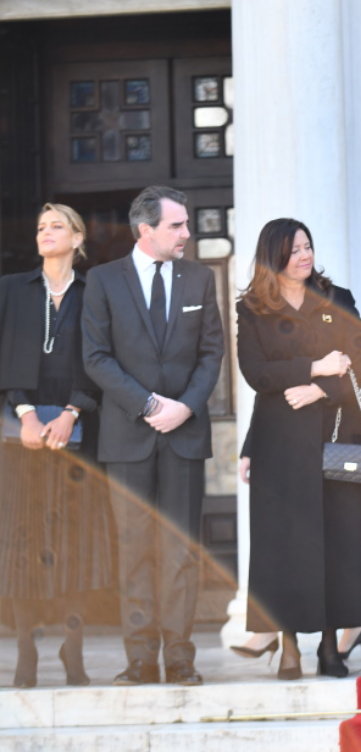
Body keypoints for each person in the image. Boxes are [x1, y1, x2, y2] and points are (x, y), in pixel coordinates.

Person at [81, 186, 224, 686]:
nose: (187, 233)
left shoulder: (200, 278)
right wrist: (146, 404)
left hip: (185, 434)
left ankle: (180, 656)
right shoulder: (102, 280)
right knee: (135, 547)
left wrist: (184, 406)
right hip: (127, 435)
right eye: (177, 225)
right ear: (146, 230)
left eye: (186, 225)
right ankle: (140, 658)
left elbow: (212, 354)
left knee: (181, 549)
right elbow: (95, 357)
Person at [235, 219, 361, 680]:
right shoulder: (253, 307)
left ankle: (329, 647)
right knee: (283, 545)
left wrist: (322, 390)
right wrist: (314, 367)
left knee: (335, 541)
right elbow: (254, 371)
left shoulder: (335, 297)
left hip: (336, 433)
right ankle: (287, 646)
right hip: (278, 441)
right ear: (273, 256)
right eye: (294, 249)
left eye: (308, 246)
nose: (304, 255)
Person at [0, 204, 113, 688]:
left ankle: (73, 649)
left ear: (77, 237)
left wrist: (72, 412)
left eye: (57, 226)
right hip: (20, 438)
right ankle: (26, 652)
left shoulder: (96, 292)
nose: (46, 232)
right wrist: (23, 414)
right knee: (23, 547)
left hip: (78, 434)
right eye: (41, 226)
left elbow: (103, 358)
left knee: (75, 547)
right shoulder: (11, 289)